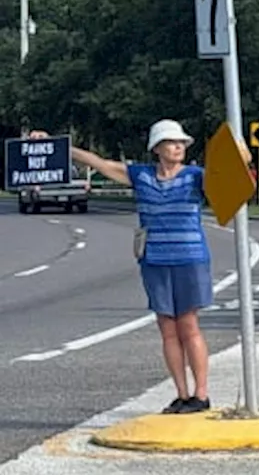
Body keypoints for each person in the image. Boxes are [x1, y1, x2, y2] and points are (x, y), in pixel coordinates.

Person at [71, 120, 217, 414]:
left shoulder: (196, 176)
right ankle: (182, 393)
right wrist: (60, 147)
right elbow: (100, 163)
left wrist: (240, 152)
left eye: (181, 143)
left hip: (190, 258)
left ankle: (201, 394)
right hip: (154, 260)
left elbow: (231, 178)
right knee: (167, 328)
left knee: (189, 325)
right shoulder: (141, 175)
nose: (178, 147)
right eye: (172, 142)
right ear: (157, 148)